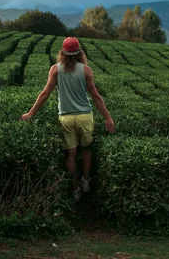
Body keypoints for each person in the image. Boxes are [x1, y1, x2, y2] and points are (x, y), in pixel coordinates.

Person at [20, 37, 116, 201]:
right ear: (79, 53)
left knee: (71, 155)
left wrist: (31, 113)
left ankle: (75, 188)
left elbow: (44, 94)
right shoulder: (86, 70)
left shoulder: (55, 70)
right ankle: (86, 182)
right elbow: (95, 96)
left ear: (62, 53)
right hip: (85, 116)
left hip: (66, 117)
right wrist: (108, 117)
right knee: (86, 150)